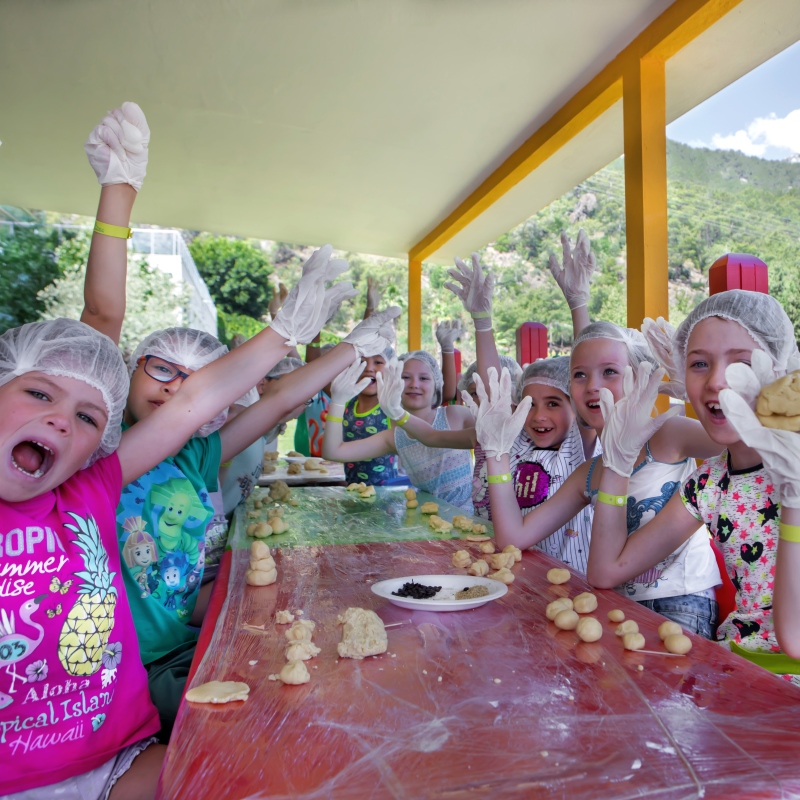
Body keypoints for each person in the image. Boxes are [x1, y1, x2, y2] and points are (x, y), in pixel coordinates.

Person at [79, 102, 400, 736]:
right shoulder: (97, 448)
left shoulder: (199, 454)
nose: (175, 388)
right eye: (160, 368)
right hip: (103, 672)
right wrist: (119, 193)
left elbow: (276, 402)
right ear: (127, 371)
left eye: (193, 380)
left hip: (174, 653)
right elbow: (99, 322)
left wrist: (351, 349)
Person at [588, 290, 800, 682]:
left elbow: (796, 640)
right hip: (738, 674)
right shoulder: (708, 484)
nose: (717, 381)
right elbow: (606, 571)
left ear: (780, 369)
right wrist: (617, 465)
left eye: (741, 363)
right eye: (699, 363)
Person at [470, 317, 723, 635]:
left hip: (682, 603)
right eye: (580, 375)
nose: (592, 385)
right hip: (616, 606)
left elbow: (745, 444)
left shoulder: (669, 434)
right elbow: (514, 538)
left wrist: (699, 393)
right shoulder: (590, 473)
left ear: (639, 376)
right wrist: (497, 455)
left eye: (609, 372)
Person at [324, 351, 475, 512]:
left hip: (470, 516)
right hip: (430, 519)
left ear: (436, 384)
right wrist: (337, 402)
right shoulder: (395, 437)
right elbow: (333, 452)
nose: (414, 384)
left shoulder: (456, 415)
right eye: (405, 377)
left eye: (424, 378)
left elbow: (489, 438)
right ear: (392, 383)